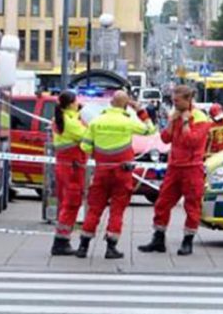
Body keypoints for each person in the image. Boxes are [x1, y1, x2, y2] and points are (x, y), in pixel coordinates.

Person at [75, 91, 156, 260]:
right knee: (117, 210)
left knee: (94, 209)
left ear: (110, 103)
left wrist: (100, 153)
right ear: (126, 105)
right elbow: (150, 130)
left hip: (102, 171)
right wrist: (141, 111)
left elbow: (85, 146)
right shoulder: (128, 121)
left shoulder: (96, 122)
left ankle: (83, 246)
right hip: (122, 172)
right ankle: (111, 248)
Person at [138, 85, 210, 256]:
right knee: (162, 203)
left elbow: (191, 141)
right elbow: (165, 138)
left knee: (192, 206)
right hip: (175, 167)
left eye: (177, 100)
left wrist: (185, 121)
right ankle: (158, 238)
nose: (174, 103)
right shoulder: (175, 114)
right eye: (173, 100)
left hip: (192, 168)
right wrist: (172, 122)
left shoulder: (200, 118)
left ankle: (188, 241)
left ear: (187, 99)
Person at [49, 91, 88, 256]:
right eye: (76, 101)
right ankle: (61, 241)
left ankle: (63, 239)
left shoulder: (62, 119)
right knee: (71, 202)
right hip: (72, 167)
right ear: (71, 103)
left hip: (67, 166)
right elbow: (87, 136)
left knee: (67, 202)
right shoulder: (70, 122)